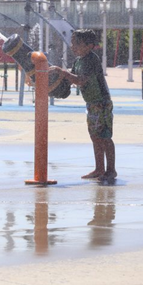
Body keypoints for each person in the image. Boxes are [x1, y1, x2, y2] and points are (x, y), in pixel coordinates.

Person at [50, 29, 116, 181]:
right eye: (72, 43)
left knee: (104, 136)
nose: (73, 47)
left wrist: (62, 72)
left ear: (90, 46)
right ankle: (99, 169)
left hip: (102, 102)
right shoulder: (79, 61)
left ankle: (111, 170)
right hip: (91, 103)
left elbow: (80, 80)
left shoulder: (91, 60)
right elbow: (71, 80)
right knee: (95, 136)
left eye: (77, 44)